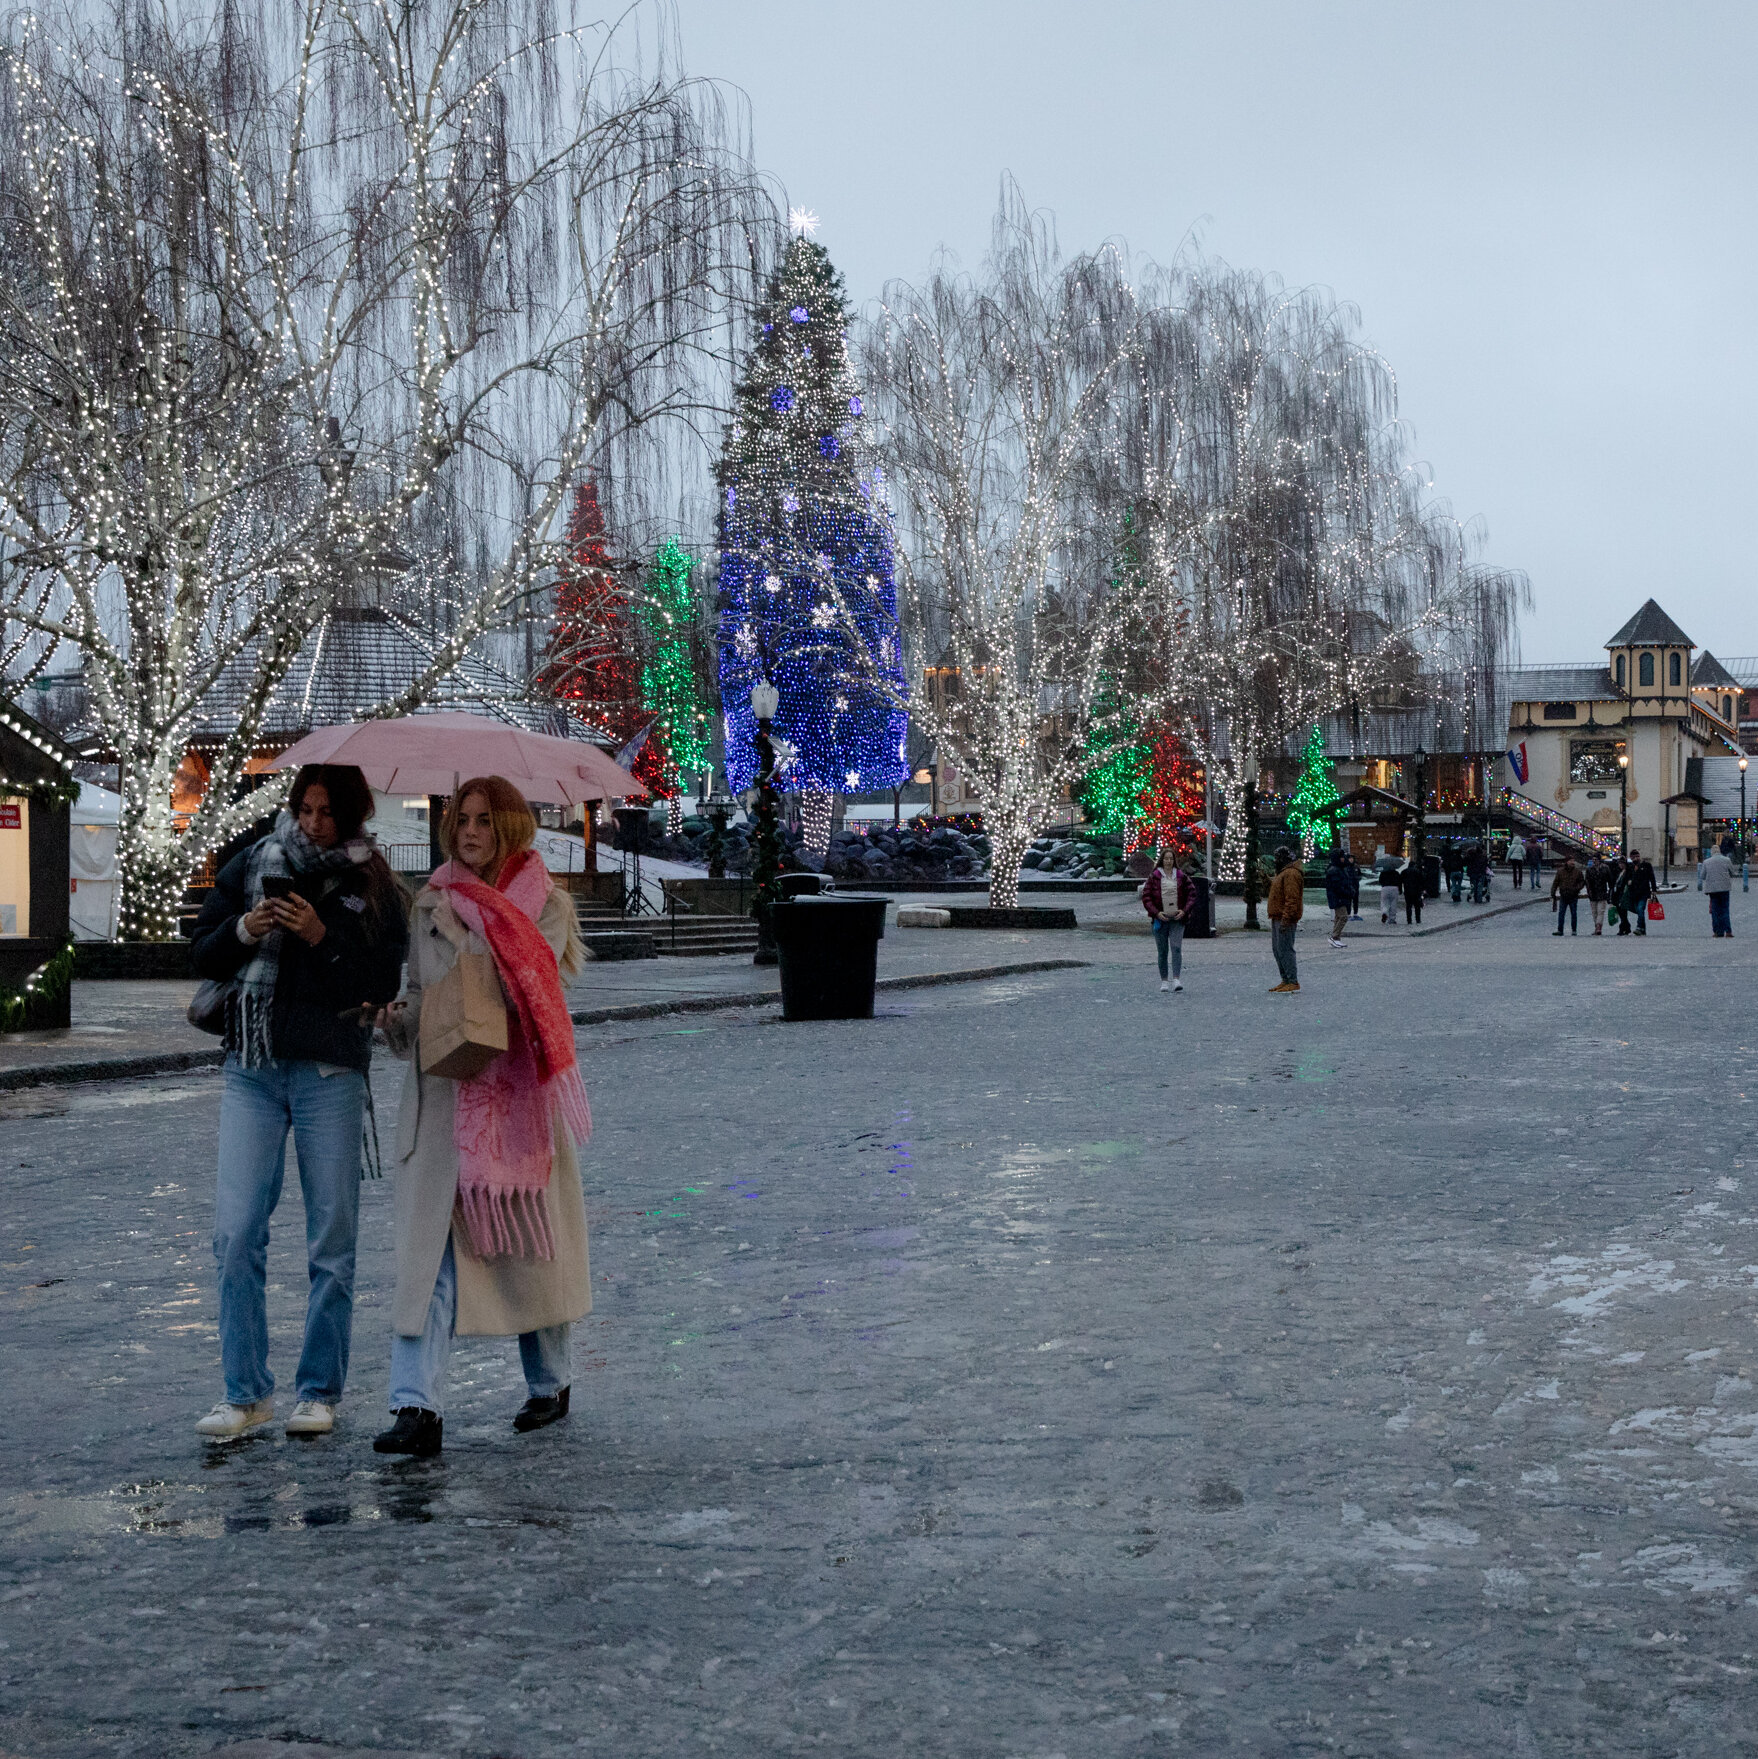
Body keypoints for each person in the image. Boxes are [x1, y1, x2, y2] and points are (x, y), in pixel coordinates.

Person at [374, 776, 593, 1458]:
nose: (467, 831)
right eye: (459, 819)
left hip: (515, 1100)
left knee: (530, 1245)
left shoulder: (545, 906)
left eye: (481, 820)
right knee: (430, 1259)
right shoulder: (430, 902)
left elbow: (522, 986)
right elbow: (419, 998)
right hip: (442, 1100)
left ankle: (550, 1383)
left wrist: (470, 929)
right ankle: (417, 1407)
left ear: (508, 827)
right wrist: (395, 1022)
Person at [188, 765, 409, 1440]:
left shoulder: (372, 882)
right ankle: (245, 1393)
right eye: (306, 809)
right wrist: (249, 929)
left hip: (328, 1071)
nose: (315, 823)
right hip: (252, 1067)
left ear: (351, 815)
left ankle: (318, 1390)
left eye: (328, 813)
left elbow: (380, 978)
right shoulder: (256, 858)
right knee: (235, 1232)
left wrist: (320, 935)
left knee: (331, 1238)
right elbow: (201, 947)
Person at [1141, 848, 1190, 991]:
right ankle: (1164, 980)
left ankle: (1176, 979)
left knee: (1176, 948)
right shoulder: (1154, 877)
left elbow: (1191, 893)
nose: (1168, 861)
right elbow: (1146, 897)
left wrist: (1185, 911)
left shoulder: (1181, 876)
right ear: (1162, 860)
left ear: (1174, 861)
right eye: (1166, 858)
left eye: (1171, 859)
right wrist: (1156, 913)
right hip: (1160, 919)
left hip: (1177, 918)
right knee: (1162, 950)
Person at [1265, 845, 1303, 992]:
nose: (1275, 861)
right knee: (1278, 949)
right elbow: (1277, 891)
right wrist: (1266, 879)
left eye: (1277, 858)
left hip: (1284, 917)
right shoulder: (1284, 873)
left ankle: (1291, 980)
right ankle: (1286, 979)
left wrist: (1287, 919)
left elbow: (1291, 899)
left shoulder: (1291, 874)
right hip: (1278, 916)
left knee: (1284, 949)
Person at [1700, 837, 1736, 938]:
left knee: (1715, 911)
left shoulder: (1707, 862)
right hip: (1724, 888)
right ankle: (1728, 931)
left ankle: (1717, 931)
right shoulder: (1727, 860)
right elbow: (1732, 872)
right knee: (1725, 910)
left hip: (1712, 890)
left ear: (1711, 852)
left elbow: (1702, 876)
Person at [1324, 845, 1352, 947]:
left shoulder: (1339, 868)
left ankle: (1336, 937)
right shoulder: (1334, 870)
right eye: (1341, 857)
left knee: (1338, 917)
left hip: (1340, 897)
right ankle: (1335, 936)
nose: (1343, 858)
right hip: (1338, 897)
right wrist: (1347, 892)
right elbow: (1337, 886)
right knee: (1343, 917)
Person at [1550, 854, 1585, 935]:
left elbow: (1582, 882)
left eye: (1573, 860)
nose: (1573, 862)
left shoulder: (1577, 871)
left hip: (1573, 895)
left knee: (1573, 913)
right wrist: (1553, 892)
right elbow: (1556, 882)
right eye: (1571, 860)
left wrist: (1576, 888)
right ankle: (1560, 929)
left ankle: (1574, 930)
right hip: (1564, 895)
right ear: (1567, 862)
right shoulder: (1560, 871)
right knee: (1561, 913)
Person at [1585, 853, 1613, 935]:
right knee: (1594, 912)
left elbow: (1610, 880)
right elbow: (1587, 881)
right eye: (1593, 859)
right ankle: (1596, 926)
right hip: (1592, 893)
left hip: (1602, 892)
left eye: (1596, 859)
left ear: (1599, 860)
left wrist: (1610, 891)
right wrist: (1589, 891)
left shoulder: (1605, 868)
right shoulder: (1590, 869)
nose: (1594, 861)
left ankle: (1598, 926)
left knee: (1600, 911)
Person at [1378, 852, 1404, 926]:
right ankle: (1392, 919)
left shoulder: (1383, 873)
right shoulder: (1396, 873)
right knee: (1393, 904)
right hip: (1394, 888)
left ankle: (1384, 912)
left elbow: (1380, 881)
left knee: (1384, 902)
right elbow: (1400, 882)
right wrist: (1400, 890)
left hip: (1385, 888)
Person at [1400, 852, 1425, 928]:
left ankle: (1409, 920)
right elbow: (1422, 881)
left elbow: (1401, 881)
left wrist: (1401, 890)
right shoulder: (1418, 872)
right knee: (1417, 906)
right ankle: (1418, 919)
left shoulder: (1404, 872)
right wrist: (1422, 890)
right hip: (1416, 891)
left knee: (1408, 906)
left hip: (1407, 891)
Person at [1465, 840, 1490, 905]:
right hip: (1481, 873)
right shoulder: (1483, 857)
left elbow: (1466, 862)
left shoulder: (1471, 856)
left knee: (1474, 886)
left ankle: (1476, 898)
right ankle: (1479, 899)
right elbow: (1486, 864)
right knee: (1480, 886)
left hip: (1473, 873)